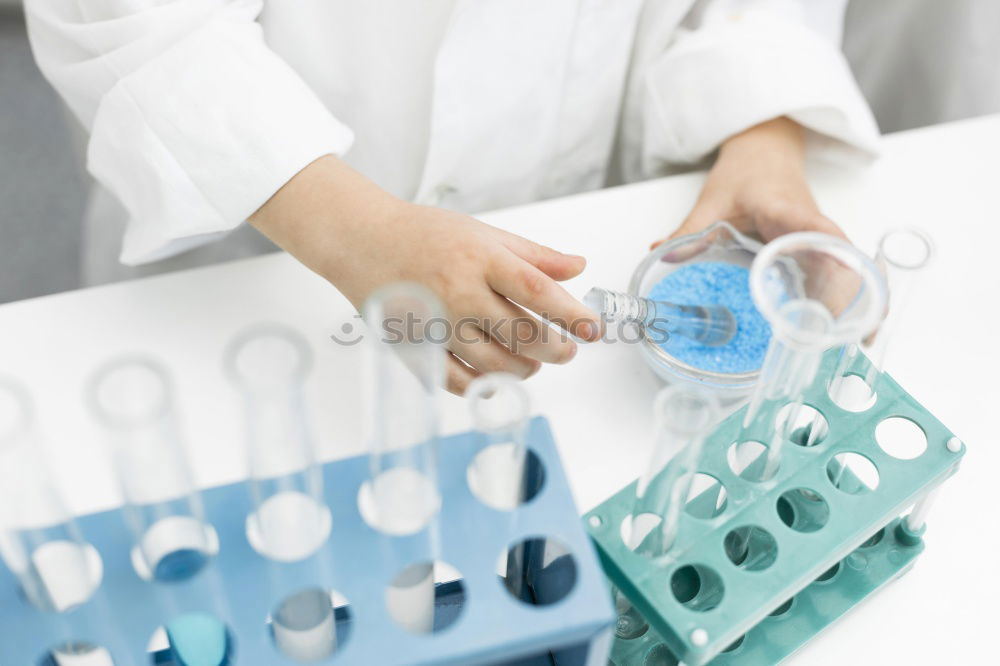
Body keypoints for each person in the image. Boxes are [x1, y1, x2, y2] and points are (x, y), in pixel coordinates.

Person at [24, 0, 879, 393]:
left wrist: (762, 129)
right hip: (263, 239)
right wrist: (352, 229)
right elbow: (130, 22)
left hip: (587, 232)